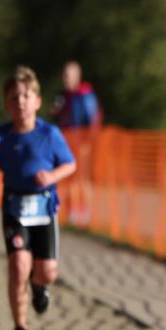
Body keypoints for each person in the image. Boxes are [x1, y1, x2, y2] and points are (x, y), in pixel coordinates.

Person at [0, 66, 76, 330]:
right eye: (13, 97)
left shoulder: (49, 133)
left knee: (48, 272)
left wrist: (51, 176)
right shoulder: (2, 136)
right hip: (15, 209)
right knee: (18, 267)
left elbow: (70, 164)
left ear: (37, 101)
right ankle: (20, 328)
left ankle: (39, 285)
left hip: (44, 209)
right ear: (7, 104)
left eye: (25, 96)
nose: (20, 101)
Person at [53, 61, 101, 226]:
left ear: (76, 76)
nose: (64, 78)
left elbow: (91, 120)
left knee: (82, 178)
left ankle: (85, 213)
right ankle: (71, 212)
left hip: (81, 143)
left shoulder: (85, 94)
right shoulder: (64, 96)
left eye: (68, 74)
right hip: (66, 142)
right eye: (63, 74)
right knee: (69, 178)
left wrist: (87, 142)